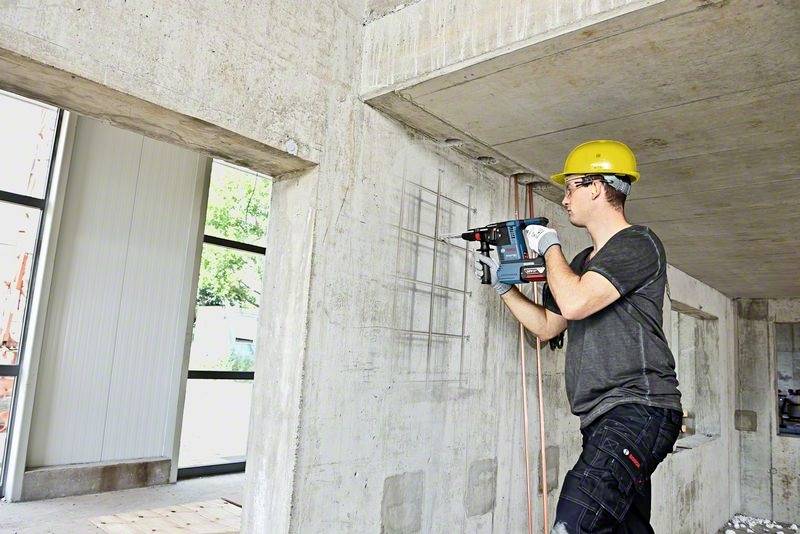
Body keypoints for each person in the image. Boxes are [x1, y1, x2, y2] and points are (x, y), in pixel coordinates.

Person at [475, 140, 683, 533]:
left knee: (575, 519)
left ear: (597, 187)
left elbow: (574, 303)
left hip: (639, 407)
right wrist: (505, 288)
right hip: (602, 417)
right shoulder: (581, 264)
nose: (565, 199)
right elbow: (549, 326)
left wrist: (549, 244)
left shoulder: (639, 243)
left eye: (571, 187)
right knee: (625, 527)